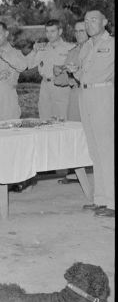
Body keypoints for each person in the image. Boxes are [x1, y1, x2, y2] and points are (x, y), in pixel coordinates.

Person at [67, 10, 114, 218]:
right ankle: (101, 199)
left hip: (103, 95)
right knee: (95, 151)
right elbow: (83, 74)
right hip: (84, 95)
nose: (89, 24)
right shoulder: (86, 46)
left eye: (93, 20)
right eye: (86, 21)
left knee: (107, 150)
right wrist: (74, 71)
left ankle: (113, 202)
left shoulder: (112, 44)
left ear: (105, 22)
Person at [55, 20, 89, 185]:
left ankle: (96, 168)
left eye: (82, 31)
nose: (78, 34)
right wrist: (58, 72)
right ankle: (74, 172)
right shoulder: (73, 51)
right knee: (74, 132)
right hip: (75, 93)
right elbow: (63, 79)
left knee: (93, 133)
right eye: (76, 31)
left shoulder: (94, 49)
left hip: (92, 93)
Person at [25, 19, 74, 120]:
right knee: (45, 119)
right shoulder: (42, 48)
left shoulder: (70, 48)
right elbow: (27, 65)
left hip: (61, 87)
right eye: (47, 31)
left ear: (60, 31)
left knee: (62, 119)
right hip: (45, 87)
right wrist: (34, 51)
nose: (49, 34)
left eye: (52, 31)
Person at [0, 21, 28, 122]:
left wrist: (2, 53)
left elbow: (23, 66)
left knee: (9, 130)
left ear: (6, 33)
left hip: (7, 100)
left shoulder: (15, 53)